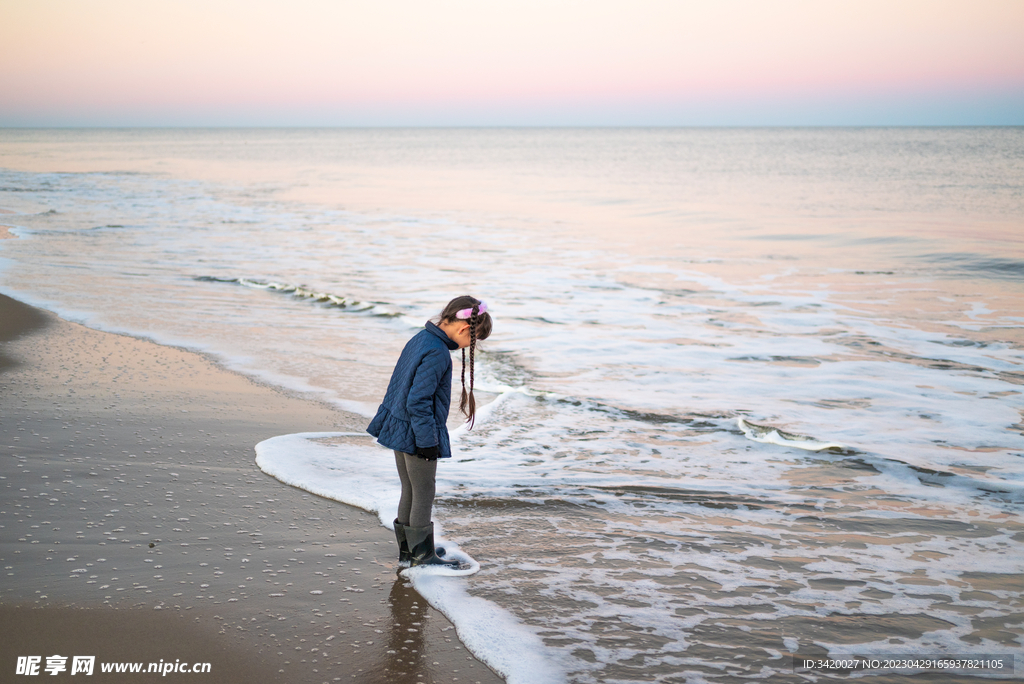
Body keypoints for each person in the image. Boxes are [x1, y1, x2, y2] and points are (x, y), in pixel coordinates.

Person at [367, 295, 493, 568]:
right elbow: (418, 401)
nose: (471, 345)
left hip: (399, 425)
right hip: (417, 431)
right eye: (474, 340)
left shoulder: (422, 338)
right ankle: (423, 557)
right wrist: (427, 442)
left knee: (410, 489)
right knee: (424, 491)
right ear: (463, 329)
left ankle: (409, 551)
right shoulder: (437, 353)